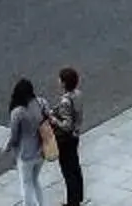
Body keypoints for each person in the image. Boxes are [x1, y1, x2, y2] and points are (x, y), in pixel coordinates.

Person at [4, 76, 51, 206]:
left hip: (25, 154)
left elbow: (14, 137)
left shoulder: (17, 112)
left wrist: (6, 147)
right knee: (35, 180)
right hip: (42, 150)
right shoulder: (42, 102)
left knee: (26, 184)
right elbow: (50, 120)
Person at [50, 65, 87, 206]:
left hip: (66, 139)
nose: (58, 81)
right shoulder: (78, 94)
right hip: (76, 135)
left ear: (64, 83)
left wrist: (54, 120)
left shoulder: (65, 100)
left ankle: (73, 202)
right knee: (75, 167)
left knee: (68, 171)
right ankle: (78, 197)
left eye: (60, 79)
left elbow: (66, 125)